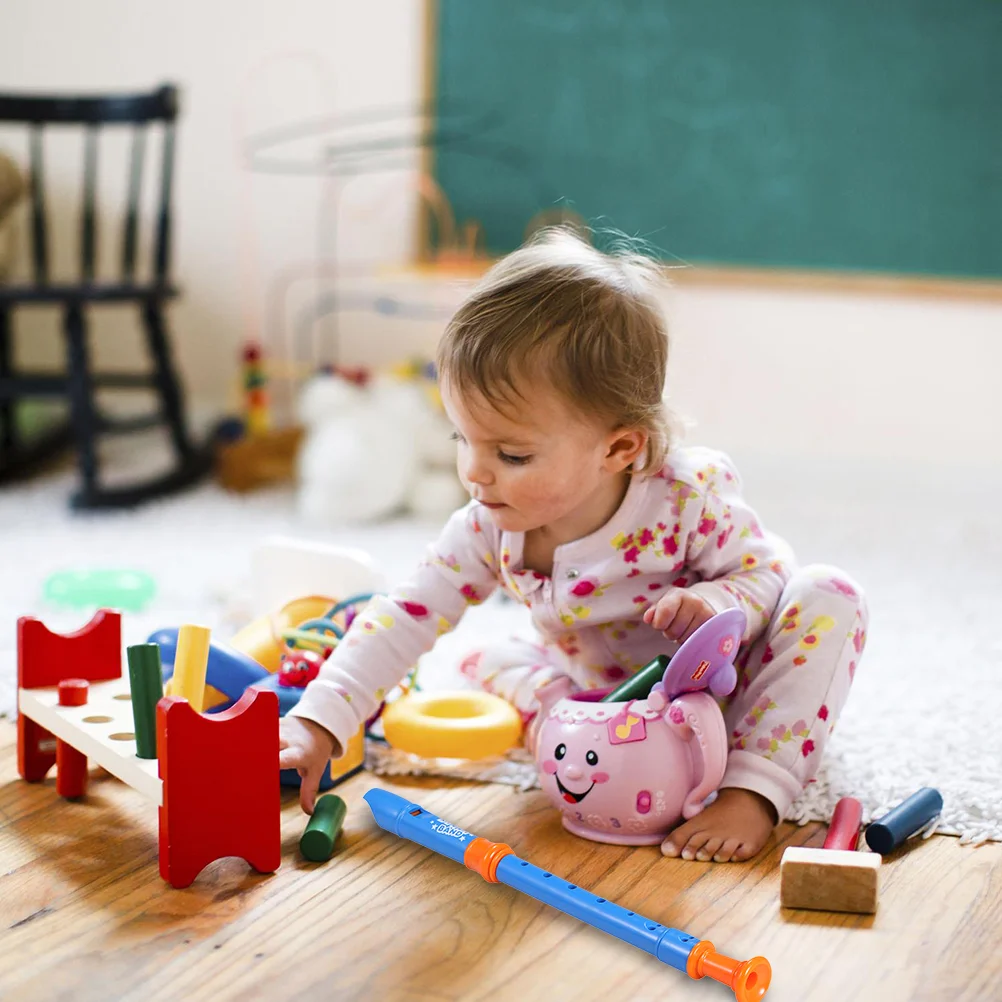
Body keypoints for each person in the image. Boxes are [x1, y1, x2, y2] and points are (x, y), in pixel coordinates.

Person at [279, 229, 868, 863]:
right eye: (460, 438)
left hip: (725, 694)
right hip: (600, 697)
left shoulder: (685, 495)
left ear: (620, 448)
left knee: (830, 595)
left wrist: (715, 602)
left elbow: (764, 574)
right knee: (489, 658)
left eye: (510, 453)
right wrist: (318, 721)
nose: (474, 473)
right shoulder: (489, 522)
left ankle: (754, 789)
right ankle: (564, 721)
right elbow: (403, 616)